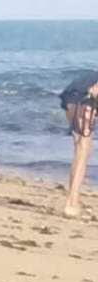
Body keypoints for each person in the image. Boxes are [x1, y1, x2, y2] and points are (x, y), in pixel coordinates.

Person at [61, 69, 98, 218]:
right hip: (84, 97)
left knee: (82, 150)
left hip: (72, 95)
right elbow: (94, 91)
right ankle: (71, 204)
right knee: (83, 150)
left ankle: (73, 200)